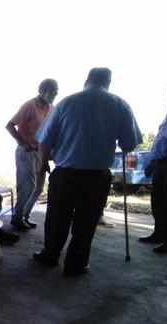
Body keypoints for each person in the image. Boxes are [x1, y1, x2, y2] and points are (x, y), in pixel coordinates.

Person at [33, 67, 142, 275]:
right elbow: (129, 144)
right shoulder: (120, 105)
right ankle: (76, 264)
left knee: (57, 218)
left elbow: (45, 140)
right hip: (97, 176)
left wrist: (42, 164)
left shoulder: (66, 102)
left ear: (87, 80)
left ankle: (50, 255)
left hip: (65, 174)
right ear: (108, 82)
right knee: (86, 221)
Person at [6, 79, 59, 231]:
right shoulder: (30, 105)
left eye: (56, 91)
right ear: (43, 91)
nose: (56, 94)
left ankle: (25, 216)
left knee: (39, 187)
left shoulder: (50, 107)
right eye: (53, 91)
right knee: (28, 186)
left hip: (41, 152)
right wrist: (23, 143)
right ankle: (17, 218)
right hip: (27, 152)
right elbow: (9, 126)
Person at [138, 76, 167, 253]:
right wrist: (152, 162)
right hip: (161, 163)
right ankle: (159, 233)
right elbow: (161, 140)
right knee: (158, 201)